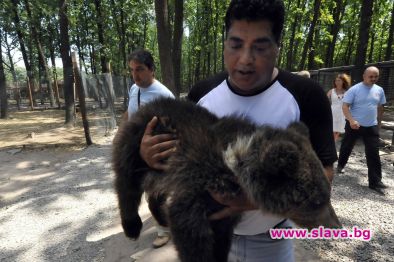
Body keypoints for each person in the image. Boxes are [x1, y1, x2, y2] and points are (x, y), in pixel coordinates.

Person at [139, 0, 337, 261]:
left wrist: (255, 200)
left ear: (277, 47)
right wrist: (148, 156)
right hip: (209, 235)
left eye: (260, 46)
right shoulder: (201, 94)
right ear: (224, 44)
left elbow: (324, 172)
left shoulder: (306, 96)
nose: (245, 59)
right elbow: (177, 158)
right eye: (236, 45)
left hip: (271, 240)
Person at [126, 49, 174, 248]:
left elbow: (175, 129)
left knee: (155, 196)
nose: (135, 75)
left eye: (140, 69)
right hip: (137, 152)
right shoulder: (134, 89)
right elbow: (128, 114)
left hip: (159, 154)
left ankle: (165, 230)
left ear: (152, 70)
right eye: (132, 70)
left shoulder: (163, 95)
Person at [337, 66, 387, 195]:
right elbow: (345, 106)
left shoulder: (379, 90)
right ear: (364, 76)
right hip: (355, 125)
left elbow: (380, 108)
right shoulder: (355, 89)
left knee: (373, 153)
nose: (373, 79)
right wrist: (352, 120)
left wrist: (379, 124)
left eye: (376, 76)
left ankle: (375, 182)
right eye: (371, 76)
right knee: (347, 146)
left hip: (371, 126)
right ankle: (341, 164)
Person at [327, 73, 351, 141]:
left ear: (343, 81)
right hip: (333, 112)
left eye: (339, 80)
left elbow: (349, 104)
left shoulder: (347, 92)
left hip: (343, 113)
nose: (337, 82)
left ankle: (333, 142)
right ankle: (331, 142)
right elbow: (325, 101)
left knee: (338, 130)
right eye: (336, 80)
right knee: (332, 129)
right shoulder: (331, 91)